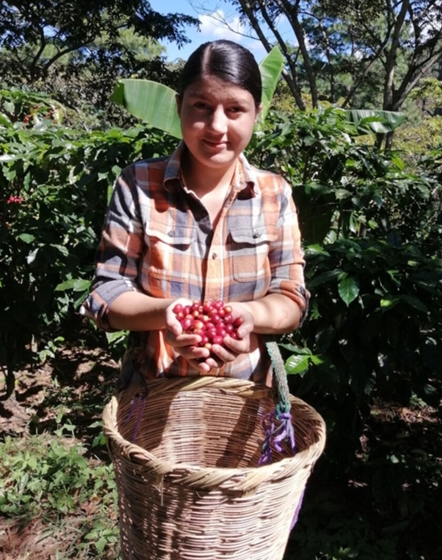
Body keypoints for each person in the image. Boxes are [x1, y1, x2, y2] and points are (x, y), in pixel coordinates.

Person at [82, 39, 309, 385]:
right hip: (154, 394)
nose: (217, 126)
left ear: (256, 114)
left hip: (246, 397)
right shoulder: (138, 184)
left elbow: (291, 300)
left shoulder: (274, 194)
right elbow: (107, 294)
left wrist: (248, 315)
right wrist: (170, 314)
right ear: (179, 106)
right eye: (202, 105)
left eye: (235, 110)